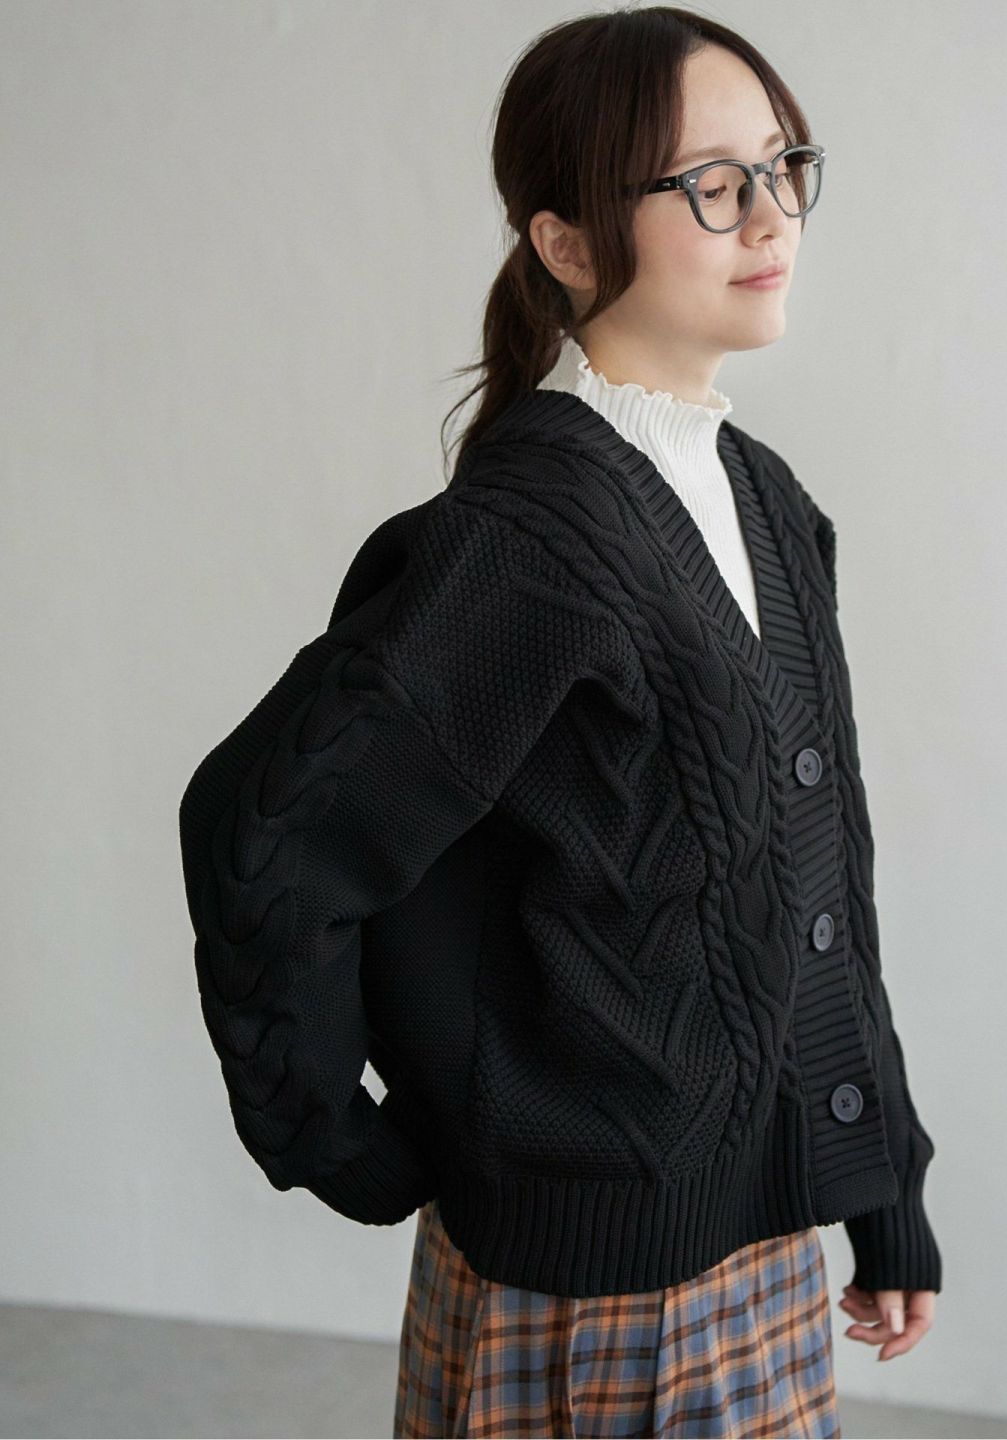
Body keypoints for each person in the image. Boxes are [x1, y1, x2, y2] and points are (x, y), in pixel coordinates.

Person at [177, 7, 942, 1438]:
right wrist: (336, 1138)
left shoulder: (766, 501)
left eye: (783, 166)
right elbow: (268, 836)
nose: (769, 214)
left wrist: (879, 1179)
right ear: (569, 243)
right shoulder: (529, 542)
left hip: (760, 1247)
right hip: (600, 1296)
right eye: (709, 183)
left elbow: (813, 884)